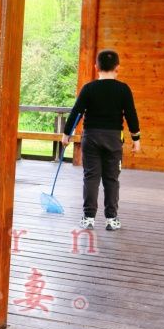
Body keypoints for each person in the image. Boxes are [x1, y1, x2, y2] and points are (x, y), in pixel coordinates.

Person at [62, 49, 140, 231]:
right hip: (113, 139)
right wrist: (136, 139)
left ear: (96, 67)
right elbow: (131, 115)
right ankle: (111, 219)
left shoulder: (89, 88)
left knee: (91, 177)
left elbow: (76, 112)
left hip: (91, 137)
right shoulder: (123, 89)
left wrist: (66, 134)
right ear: (117, 67)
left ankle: (88, 217)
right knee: (111, 179)